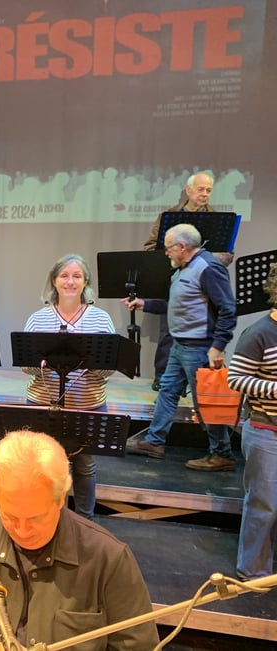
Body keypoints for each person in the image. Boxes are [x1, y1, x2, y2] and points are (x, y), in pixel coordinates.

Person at [0, 430, 159, 650]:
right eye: (10, 516)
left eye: (36, 518)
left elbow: (140, 647)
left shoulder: (109, 559)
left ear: (61, 499)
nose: (23, 531)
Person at [124, 223, 237, 470]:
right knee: (167, 391)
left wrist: (218, 346)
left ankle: (222, 454)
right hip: (179, 344)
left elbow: (228, 309)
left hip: (200, 347)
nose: (166, 252)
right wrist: (145, 304)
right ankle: (154, 441)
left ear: (183, 246)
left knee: (205, 401)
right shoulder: (181, 270)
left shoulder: (208, 268)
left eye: (169, 248)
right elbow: (176, 304)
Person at [22, 254, 115, 520]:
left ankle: (85, 521)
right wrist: (46, 363)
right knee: (43, 466)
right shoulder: (38, 319)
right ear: (54, 281)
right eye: (64, 276)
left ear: (86, 282)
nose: (70, 282)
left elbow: (109, 369)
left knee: (84, 466)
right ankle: (45, 519)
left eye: (77, 276)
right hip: (44, 404)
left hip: (87, 405)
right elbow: (25, 366)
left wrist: (90, 362)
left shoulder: (101, 319)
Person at [143, 172, 233, 390]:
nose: (205, 194)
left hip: (206, 283)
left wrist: (203, 259)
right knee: (168, 331)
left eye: (209, 190)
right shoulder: (169, 216)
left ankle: (200, 381)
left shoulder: (219, 219)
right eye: (201, 189)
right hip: (174, 279)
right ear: (189, 190)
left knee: (205, 331)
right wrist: (175, 257)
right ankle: (163, 376)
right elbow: (150, 248)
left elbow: (228, 254)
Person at [227, 262, 277, 580]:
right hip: (266, 430)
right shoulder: (259, 332)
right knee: (264, 504)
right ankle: (254, 572)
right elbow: (235, 378)